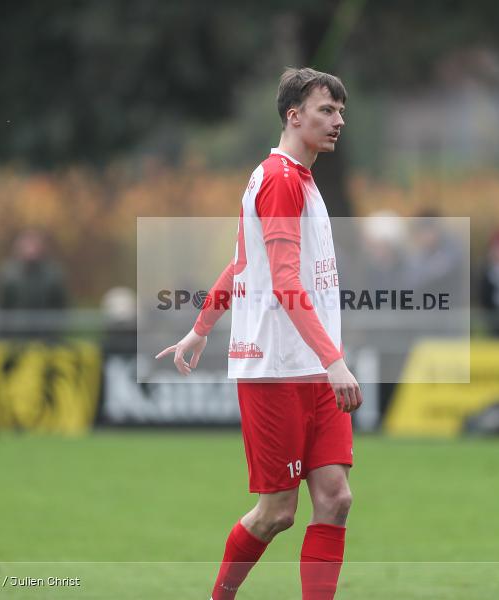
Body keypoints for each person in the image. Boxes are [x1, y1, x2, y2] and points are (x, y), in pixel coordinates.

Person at [157, 67, 361, 600]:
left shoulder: (299, 178)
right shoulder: (280, 180)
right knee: (277, 513)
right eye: (327, 110)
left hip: (311, 367)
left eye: (340, 111)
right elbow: (284, 280)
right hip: (276, 368)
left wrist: (200, 328)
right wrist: (335, 359)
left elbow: (242, 265)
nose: (338, 120)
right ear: (294, 116)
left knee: (336, 498)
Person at [0, 228, 68, 311]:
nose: (31, 249)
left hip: (45, 322)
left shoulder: (53, 273)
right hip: (17, 323)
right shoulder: (8, 274)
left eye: (34, 245)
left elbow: (61, 305)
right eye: (27, 245)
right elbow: (2, 305)